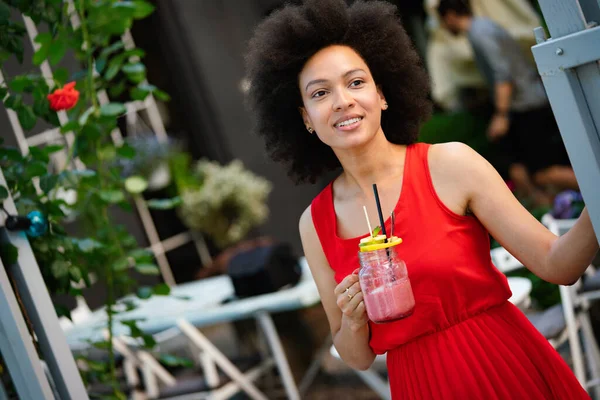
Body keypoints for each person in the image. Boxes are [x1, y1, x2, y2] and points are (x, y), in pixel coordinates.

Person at [244, 0, 598, 398]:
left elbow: (558, 264)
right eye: (320, 92)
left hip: (504, 367)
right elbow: (354, 356)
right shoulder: (315, 223)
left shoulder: (450, 164)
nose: (342, 100)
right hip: (418, 386)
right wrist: (353, 318)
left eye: (356, 82)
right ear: (306, 117)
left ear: (382, 94)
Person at [437, 0, 578, 206]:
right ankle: (548, 209)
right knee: (520, 167)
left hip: (527, 106)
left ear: (449, 16)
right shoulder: (483, 27)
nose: (443, 27)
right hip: (524, 104)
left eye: (442, 22)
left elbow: (503, 75)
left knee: (543, 172)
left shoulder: (480, 33)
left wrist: (501, 116)